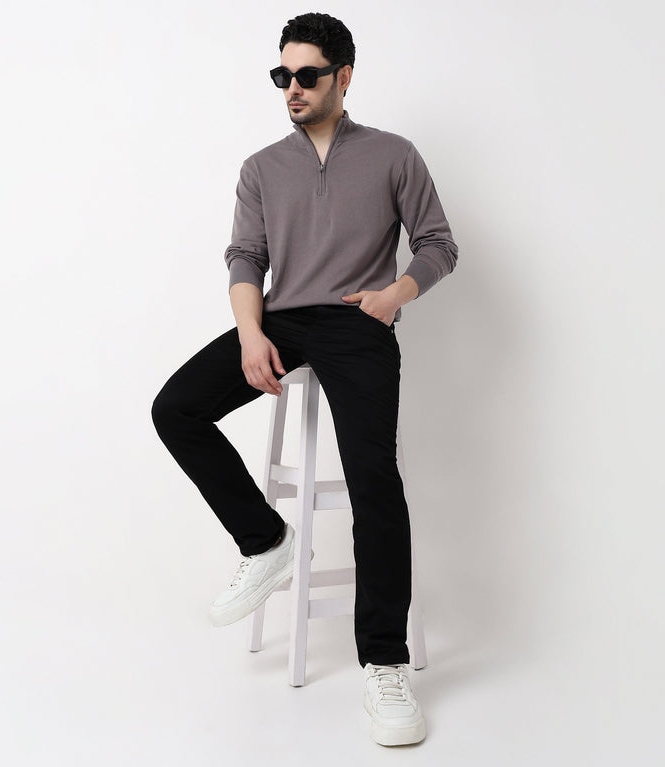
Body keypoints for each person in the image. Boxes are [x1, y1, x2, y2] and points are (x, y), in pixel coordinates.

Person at [151, 12, 458, 747]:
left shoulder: (393, 155)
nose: (292, 87)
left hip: (358, 321)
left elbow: (438, 244)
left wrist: (392, 297)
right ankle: (266, 542)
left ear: (342, 77)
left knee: (373, 478)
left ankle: (384, 663)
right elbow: (245, 257)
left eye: (307, 75)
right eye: (281, 75)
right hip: (280, 320)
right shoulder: (262, 167)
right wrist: (250, 331)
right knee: (176, 409)